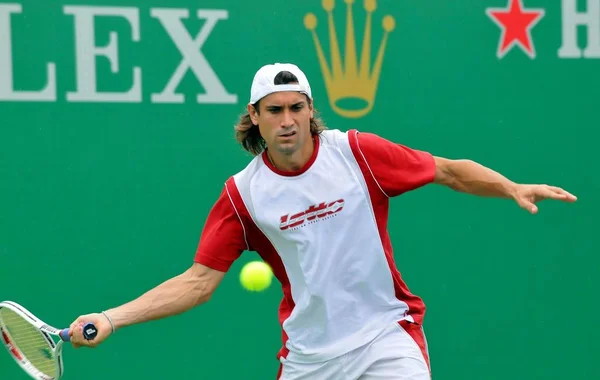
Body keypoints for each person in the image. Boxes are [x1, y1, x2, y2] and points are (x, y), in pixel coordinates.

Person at [68, 63, 577, 379]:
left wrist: (509, 184)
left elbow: (446, 170)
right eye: (275, 110)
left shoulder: (356, 153)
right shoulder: (243, 195)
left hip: (386, 337)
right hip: (310, 360)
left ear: (311, 111)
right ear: (256, 117)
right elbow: (198, 283)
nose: (287, 120)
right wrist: (113, 317)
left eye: (297, 108)